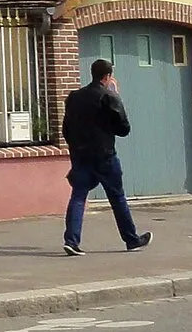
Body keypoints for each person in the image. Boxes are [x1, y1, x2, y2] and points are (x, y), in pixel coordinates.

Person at [61, 58, 151, 256]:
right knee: (117, 196)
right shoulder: (108, 96)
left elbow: (66, 129)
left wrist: (76, 149)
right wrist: (115, 96)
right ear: (107, 76)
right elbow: (123, 128)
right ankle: (132, 239)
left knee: (78, 196)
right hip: (104, 156)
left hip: (81, 155)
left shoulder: (74, 97)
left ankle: (71, 241)